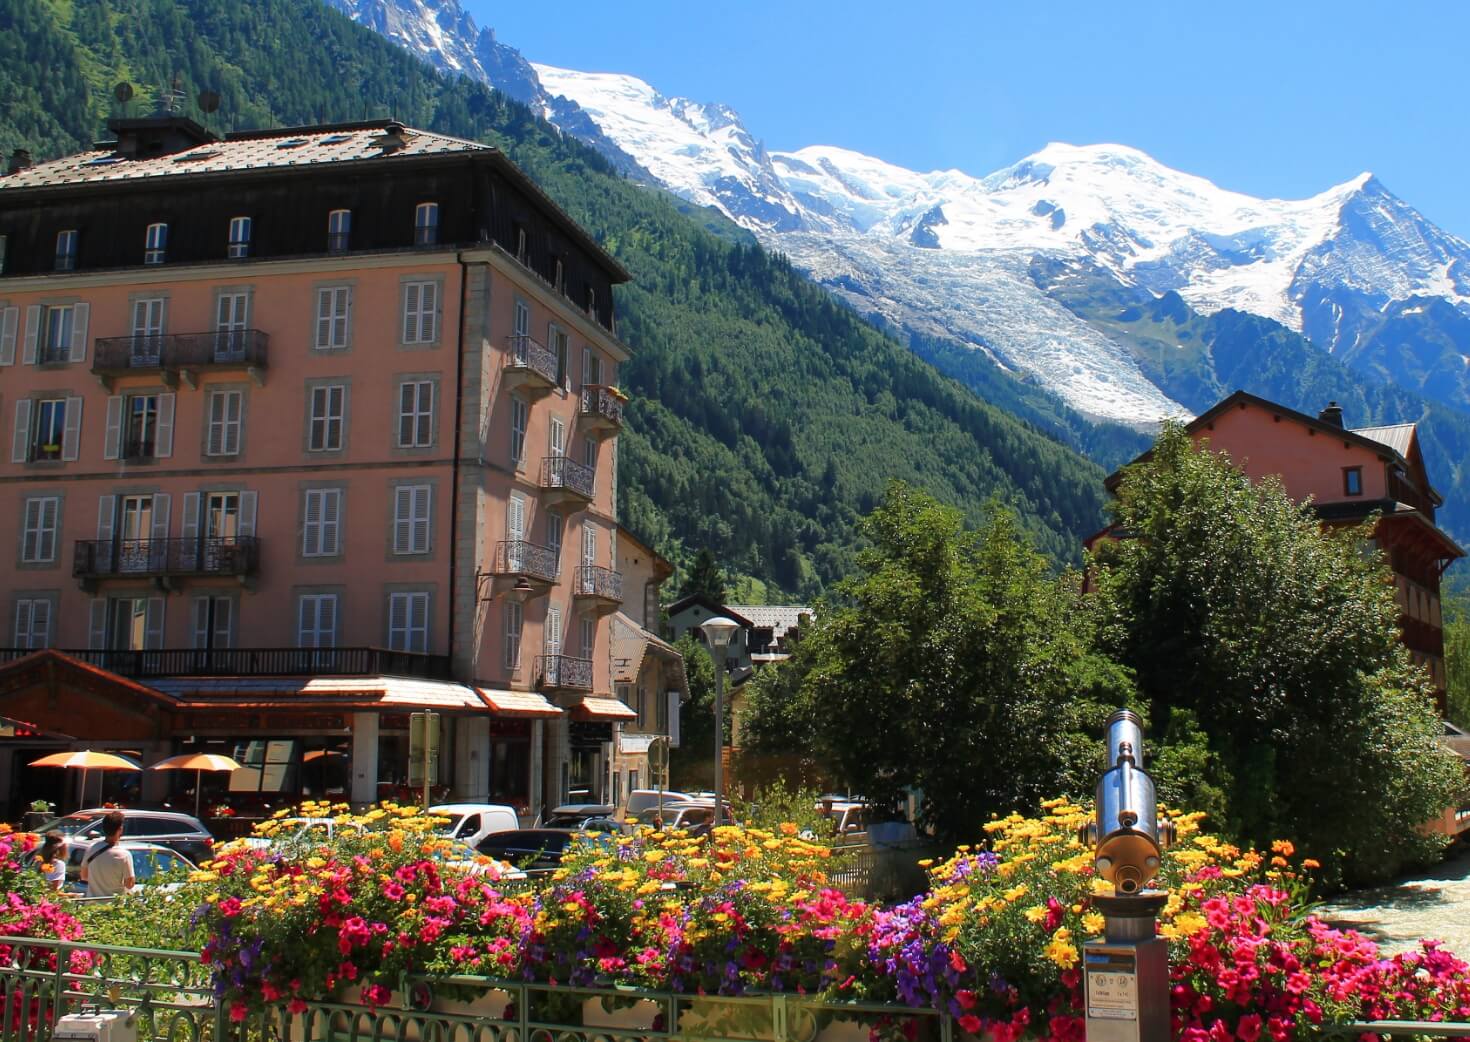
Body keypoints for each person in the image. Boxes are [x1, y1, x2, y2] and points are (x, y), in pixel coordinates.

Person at [79, 811, 134, 898]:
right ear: (120, 829)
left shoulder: (91, 849)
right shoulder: (124, 855)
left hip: (92, 904)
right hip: (114, 905)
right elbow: (129, 884)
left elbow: (84, 876)